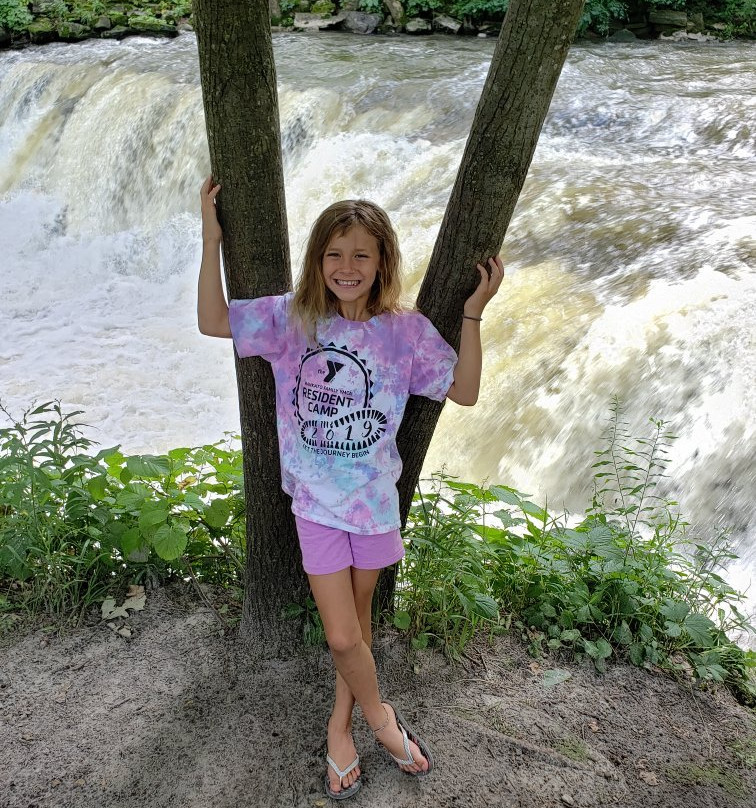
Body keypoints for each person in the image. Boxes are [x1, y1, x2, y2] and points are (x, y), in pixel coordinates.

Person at [197, 176, 504, 800]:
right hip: (314, 504)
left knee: (357, 631)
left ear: (382, 261)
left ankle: (340, 729)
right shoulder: (293, 320)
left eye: (361, 254)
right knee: (342, 635)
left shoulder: (405, 333)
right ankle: (383, 720)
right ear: (318, 262)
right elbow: (211, 321)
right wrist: (211, 240)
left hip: (374, 507)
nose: (347, 267)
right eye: (334, 254)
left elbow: (466, 391)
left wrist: (472, 314)